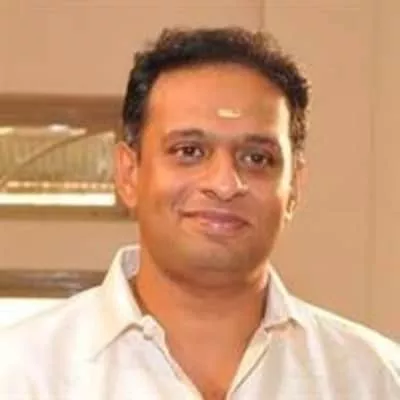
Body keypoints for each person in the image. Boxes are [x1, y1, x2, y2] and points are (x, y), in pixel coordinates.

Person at [0, 27, 399, 400]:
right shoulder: (21, 373)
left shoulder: (373, 378)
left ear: (293, 186)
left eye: (257, 158)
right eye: (189, 151)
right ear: (129, 173)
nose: (225, 184)